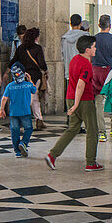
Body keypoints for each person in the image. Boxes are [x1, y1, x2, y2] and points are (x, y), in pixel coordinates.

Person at [44, 35, 102, 172]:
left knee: (73, 128)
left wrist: (73, 103)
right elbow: (81, 84)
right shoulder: (86, 64)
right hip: (84, 100)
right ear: (87, 49)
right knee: (93, 131)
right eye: (94, 46)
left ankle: (52, 155)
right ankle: (91, 163)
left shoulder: (74, 60)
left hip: (70, 97)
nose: (96, 48)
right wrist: (76, 104)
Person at [10, 26, 48, 130]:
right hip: (35, 77)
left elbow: (14, 61)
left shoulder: (20, 48)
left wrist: (8, 70)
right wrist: (45, 70)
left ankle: (39, 119)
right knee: (31, 99)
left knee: (35, 99)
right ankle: (19, 119)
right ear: (36, 37)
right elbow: (41, 63)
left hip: (23, 76)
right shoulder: (37, 48)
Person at [0, 63, 38, 157]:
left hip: (13, 113)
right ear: (24, 73)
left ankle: (17, 151)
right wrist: (30, 79)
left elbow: (4, 98)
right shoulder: (28, 85)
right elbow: (34, 90)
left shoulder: (10, 86)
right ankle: (23, 143)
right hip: (25, 112)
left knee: (15, 131)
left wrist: (2, 110)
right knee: (28, 128)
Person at [92, 15, 112, 142]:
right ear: (110, 25)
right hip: (110, 71)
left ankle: (101, 132)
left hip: (96, 71)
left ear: (99, 25)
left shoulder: (93, 39)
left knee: (98, 102)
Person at [61, 13, 85, 88]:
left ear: (70, 24)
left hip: (69, 71)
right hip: (83, 71)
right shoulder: (85, 36)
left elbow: (62, 55)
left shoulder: (64, 38)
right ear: (80, 24)